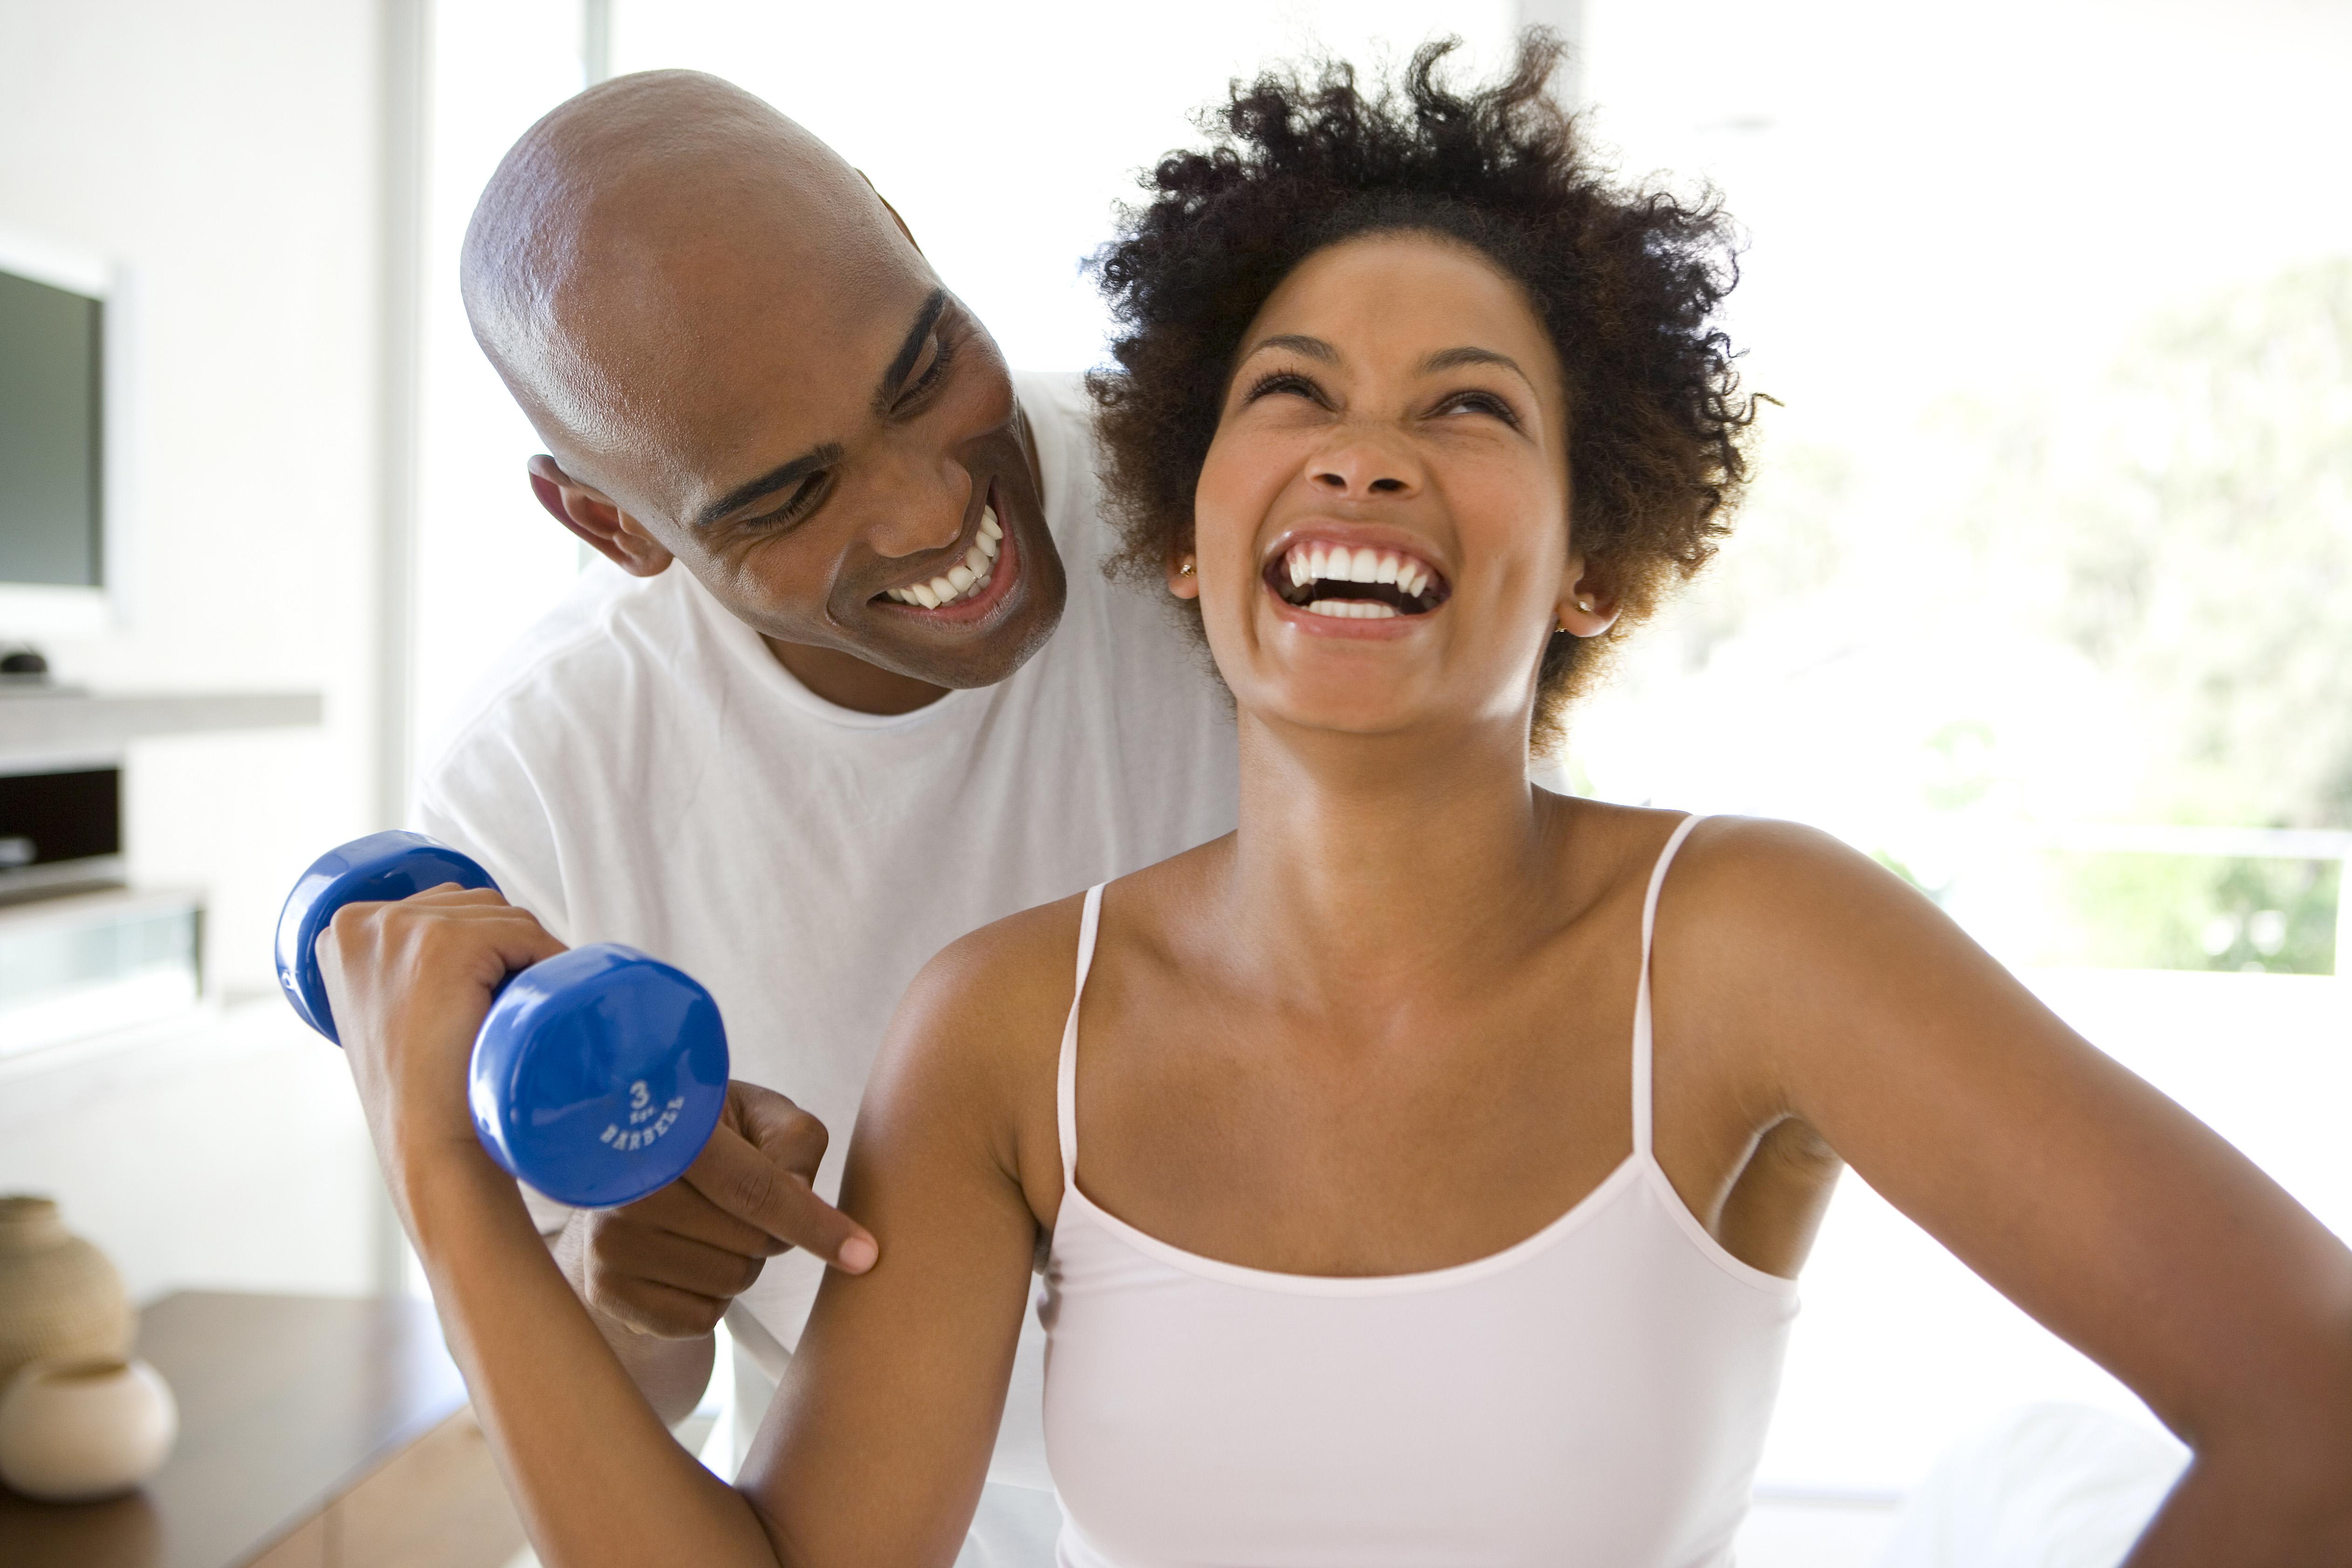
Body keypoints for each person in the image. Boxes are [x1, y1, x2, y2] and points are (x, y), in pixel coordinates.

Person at [326, 35, 2352, 1568]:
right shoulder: (981, 1017)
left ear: (1594, 562)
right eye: (1290, 396)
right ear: (1188, 534)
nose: (937, 511)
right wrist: (462, 1193)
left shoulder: (1750, 943)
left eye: (1464, 407)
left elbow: (2311, 1394)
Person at [425, 64, 1243, 1559]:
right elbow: (614, 1412)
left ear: (900, 225)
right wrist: (633, 1287)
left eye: (925, 370)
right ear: (611, 523)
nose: (935, 512)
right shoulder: (536, 786)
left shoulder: (1219, 503)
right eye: (788, 496)